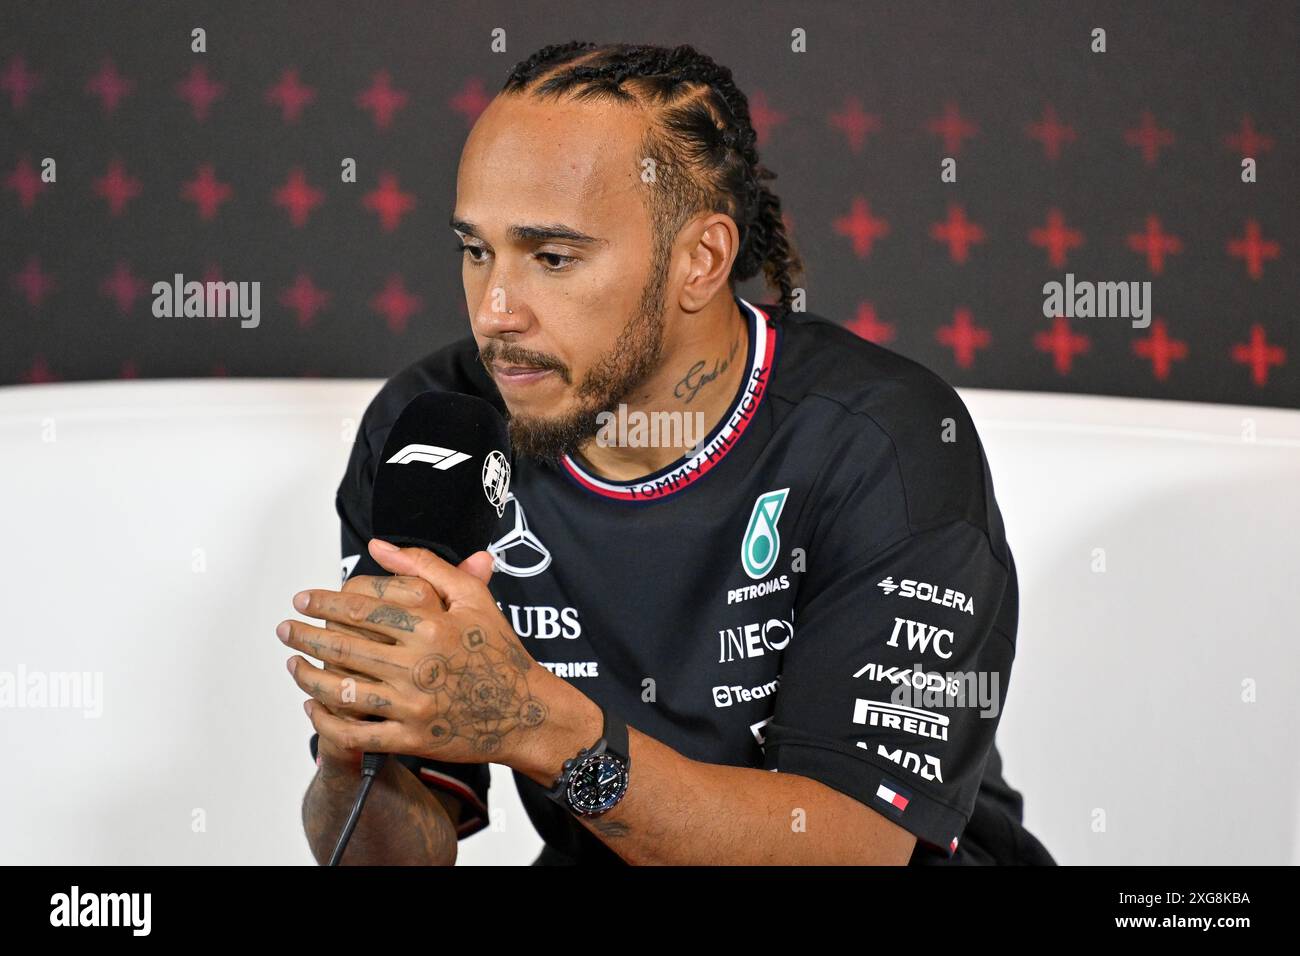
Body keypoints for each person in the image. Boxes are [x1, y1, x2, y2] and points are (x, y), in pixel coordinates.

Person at [287, 41, 1054, 866]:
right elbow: (401, 852)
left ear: (702, 260)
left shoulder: (882, 440)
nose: (496, 311)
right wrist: (354, 746)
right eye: (477, 251)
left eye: (553, 257)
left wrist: (535, 724)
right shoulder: (435, 427)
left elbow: (849, 847)